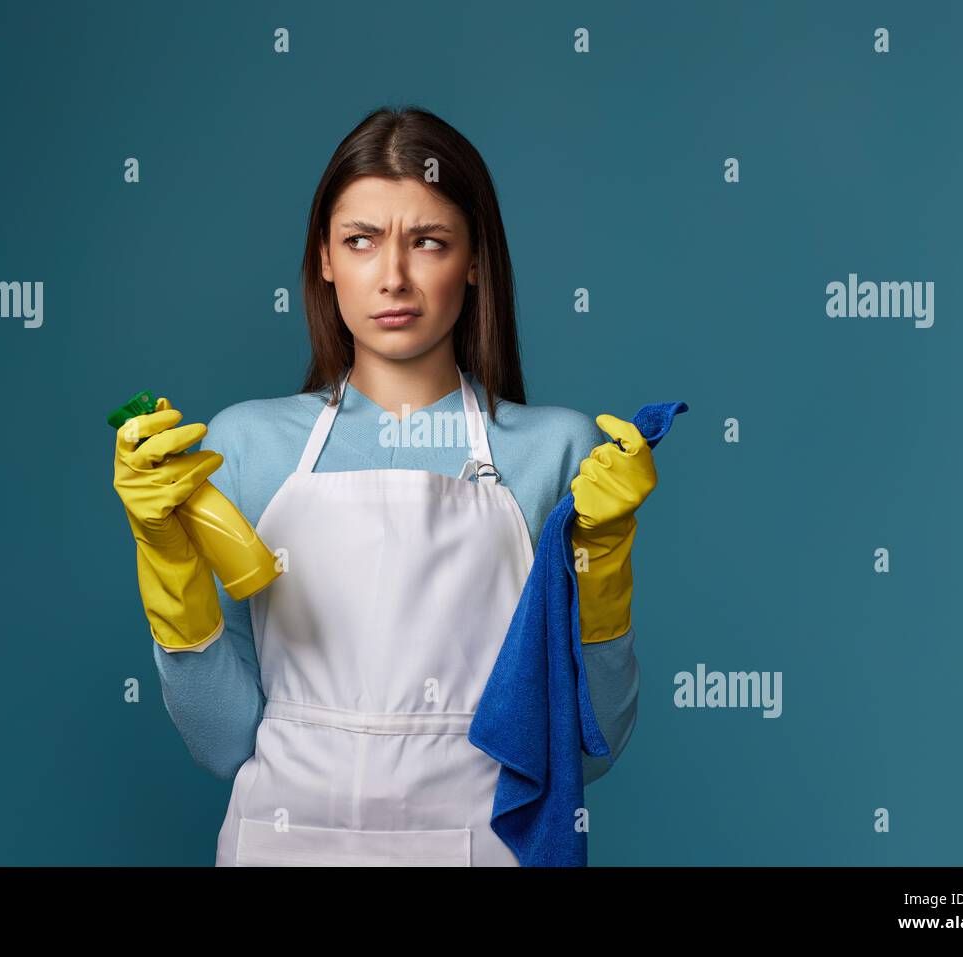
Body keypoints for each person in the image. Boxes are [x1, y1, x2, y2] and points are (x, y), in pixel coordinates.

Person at [113, 106, 658, 866]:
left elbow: (590, 750)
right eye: (360, 241)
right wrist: (165, 561)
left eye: (428, 241)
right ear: (325, 260)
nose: (393, 276)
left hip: (479, 844)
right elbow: (222, 741)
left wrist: (605, 563)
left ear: (473, 260)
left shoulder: (558, 453)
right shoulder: (245, 446)